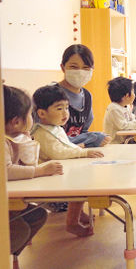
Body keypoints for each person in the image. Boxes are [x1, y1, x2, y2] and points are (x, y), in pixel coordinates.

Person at [32, 85, 103, 237]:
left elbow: (66, 146)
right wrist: (83, 152)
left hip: (57, 175)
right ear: (42, 113)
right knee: (78, 186)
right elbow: (58, 153)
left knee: (81, 178)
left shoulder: (55, 127)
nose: (65, 113)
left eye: (66, 108)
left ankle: (79, 213)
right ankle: (72, 223)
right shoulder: (42, 133)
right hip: (47, 183)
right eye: (59, 109)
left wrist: (80, 149)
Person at [4, 85, 63, 269]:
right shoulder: (4, 141)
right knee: (20, 230)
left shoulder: (15, 137)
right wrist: (40, 171)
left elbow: (27, 162)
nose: (32, 118)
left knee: (37, 214)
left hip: (11, 198)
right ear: (15, 121)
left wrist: (25, 141)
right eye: (30, 114)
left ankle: (12, 258)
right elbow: (6, 171)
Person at [57, 44, 111, 148]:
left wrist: (91, 139)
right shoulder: (51, 94)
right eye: (74, 67)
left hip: (76, 154)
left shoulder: (87, 96)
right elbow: (49, 137)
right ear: (63, 67)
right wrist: (91, 140)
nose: (80, 72)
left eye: (86, 68)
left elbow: (83, 131)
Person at [103, 77, 136, 144]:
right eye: (133, 91)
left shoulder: (125, 107)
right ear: (127, 96)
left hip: (125, 141)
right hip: (115, 143)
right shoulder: (114, 108)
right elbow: (123, 126)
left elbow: (132, 121)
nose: (135, 94)